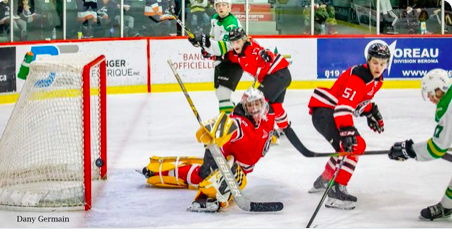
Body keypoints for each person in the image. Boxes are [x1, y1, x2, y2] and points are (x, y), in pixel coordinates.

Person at [141, 88, 276, 212]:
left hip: (238, 165)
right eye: (250, 105)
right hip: (220, 159)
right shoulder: (241, 122)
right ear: (245, 106)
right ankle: (204, 196)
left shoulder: (269, 115)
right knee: (208, 178)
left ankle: (163, 172)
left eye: (257, 104)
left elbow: (264, 133)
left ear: (263, 103)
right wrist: (212, 131)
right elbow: (229, 125)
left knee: (204, 176)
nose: (254, 108)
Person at [307, 43, 390, 210]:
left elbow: (355, 102)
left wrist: (369, 110)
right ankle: (336, 190)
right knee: (355, 145)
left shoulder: (377, 80)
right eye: (375, 62)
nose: (378, 67)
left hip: (330, 112)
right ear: (368, 60)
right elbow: (343, 106)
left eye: (382, 63)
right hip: (326, 112)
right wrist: (346, 130)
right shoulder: (360, 76)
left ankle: (325, 180)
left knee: (348, 145)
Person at [388, 68, 452, 221]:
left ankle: (447, 207)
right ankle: (447, 206)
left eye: (430, 93)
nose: (430, 98)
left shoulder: (448, 108)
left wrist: (409, 150)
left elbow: (437, 148)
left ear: (439, 89)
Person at [226, 27, 291, 135]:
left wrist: (266, 55)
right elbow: (227, 56)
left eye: (238, 41)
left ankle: (264, 131)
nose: (235, 45)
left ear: (244, 40)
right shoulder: (239, 55)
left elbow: (262, 51)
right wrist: (210, 54)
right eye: (233, 42)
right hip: (280, 75)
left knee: (257, 102)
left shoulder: (250, 48)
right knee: (275, 106)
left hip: (277, 74)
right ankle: (285, 128)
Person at [187, 0, 243, 115]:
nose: (221, 7)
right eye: (218, 5)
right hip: (221, 61)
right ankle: (236, 117)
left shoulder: (232, 24)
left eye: (224, 5)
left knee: (223, 93)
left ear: (229, 7)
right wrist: (205, 47)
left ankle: (226, 122)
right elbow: (213, 39)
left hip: (233, 61)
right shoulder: (214, 19)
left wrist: (207, 44)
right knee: (220, 93)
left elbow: (224, 48)